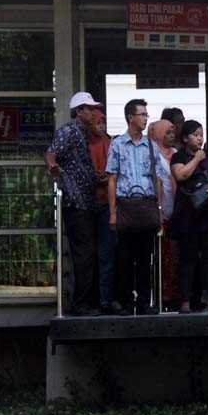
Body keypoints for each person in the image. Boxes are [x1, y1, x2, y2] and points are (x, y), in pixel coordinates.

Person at [106, 99, 165, 316]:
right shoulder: (117, 144)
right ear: (130, 117)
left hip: (147, 205)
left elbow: (157, 179)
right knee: (124, 258)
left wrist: (159, 209)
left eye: (146, 114)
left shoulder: (151, 146)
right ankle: (125, 302)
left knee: (145, 258)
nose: (145, 118)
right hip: (126, 206)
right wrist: (112, 212)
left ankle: (143, 303)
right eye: (142, 114)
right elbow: (112, 179)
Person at [45, 91, 101, 316]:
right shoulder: (69, 130)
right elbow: (51, 153)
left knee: (88, 252)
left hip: (86, 202)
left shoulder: (84, 133)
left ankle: (88, 301)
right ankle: (81, 304)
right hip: (75, 202)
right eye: (89, 108)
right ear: (79, 111)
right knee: (84, 253)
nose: (94, 112)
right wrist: (54, 168)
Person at [169, 120, 208, 313]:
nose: (200, 138)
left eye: (201, 134)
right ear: (185, 138)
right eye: (195, 134)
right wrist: (197, 158)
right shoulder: (178, 156)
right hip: (188, 213)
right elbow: (181, 175)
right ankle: (186, 301)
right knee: (187, 260)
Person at [87, 109, 119, 315]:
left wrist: (109, 178)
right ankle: (92, 299)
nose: (102, 126)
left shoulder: (112, 143)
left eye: (104, 122)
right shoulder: (84, 143)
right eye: (98, 122)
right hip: (89, 204)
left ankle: (107, 298)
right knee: (89, 255)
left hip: (108, 204)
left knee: (107, 254)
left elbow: (118, 170)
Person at [148, 118, 178, 309]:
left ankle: (174, 293)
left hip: (177, 210)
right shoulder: (152, 153)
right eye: (167, 132)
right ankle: (161, 295)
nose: (171, 135)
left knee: (175, 255)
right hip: (160, 209)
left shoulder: (175, 153)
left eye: (173, 131)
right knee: (162, 255)